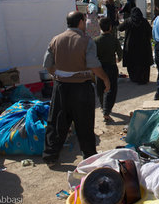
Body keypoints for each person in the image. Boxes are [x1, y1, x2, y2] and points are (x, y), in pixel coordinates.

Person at [42, 11, 110, 166]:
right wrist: (105, 79)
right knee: (84, 123)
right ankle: (89, 157)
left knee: (57, 121)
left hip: (61, 87)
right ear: (80, 22)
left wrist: (59, 75)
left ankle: (50, 156)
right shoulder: (86, 41)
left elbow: (47, 64)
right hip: (81, 87)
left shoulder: (56, 39)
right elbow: (94, 65)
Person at [94, 17, 123, 123]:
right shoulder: (114, 39)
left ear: (100, 27)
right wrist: (117, 59)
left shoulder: (96, 40)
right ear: (110, 27)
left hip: (99, 68)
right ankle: (107, 111)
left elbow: (93, 56)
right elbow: (120, 54)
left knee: (100, 88)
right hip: (111, 67)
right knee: (111, 89)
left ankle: (102, 106)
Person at [118, 7, 153, 85]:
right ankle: (143, 79)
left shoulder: (128, 21)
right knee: (143, 63)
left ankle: (134, 78)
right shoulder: (144, 21)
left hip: (131, 46)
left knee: (132, 63)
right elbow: (150, 32)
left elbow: (120, 28)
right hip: (143, 46)